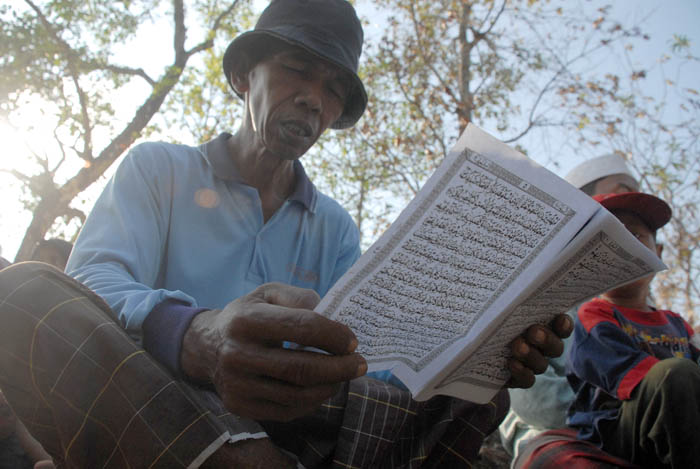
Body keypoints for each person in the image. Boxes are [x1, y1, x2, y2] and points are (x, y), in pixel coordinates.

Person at [0, 1, 572, 467]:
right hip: (160, 392)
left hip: (295, 418)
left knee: (470, 396)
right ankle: (238, 455)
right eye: (298, 67)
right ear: (244, 76)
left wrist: (488, 351)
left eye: (333, 90)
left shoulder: (334, 227)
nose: (314, 99)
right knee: (22, 296)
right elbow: (93, 277)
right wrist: (197, 337)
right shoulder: (160, 169)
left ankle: (251, 453)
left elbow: (365, 357)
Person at [500, 153, 642, 468]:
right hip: (551, 434)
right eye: (620, 189)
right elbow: (533, 400)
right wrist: (626, 415)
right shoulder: (539, 290)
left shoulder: (648, 315)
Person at [567, 191, 700, 468]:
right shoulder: (593, 315)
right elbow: (662, 380)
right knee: (675, 373)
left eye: (635, 236)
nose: (623, 249)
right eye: (608, 241)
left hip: (681, 423)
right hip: (621, 432)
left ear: (658, 252)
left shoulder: (677, 323)